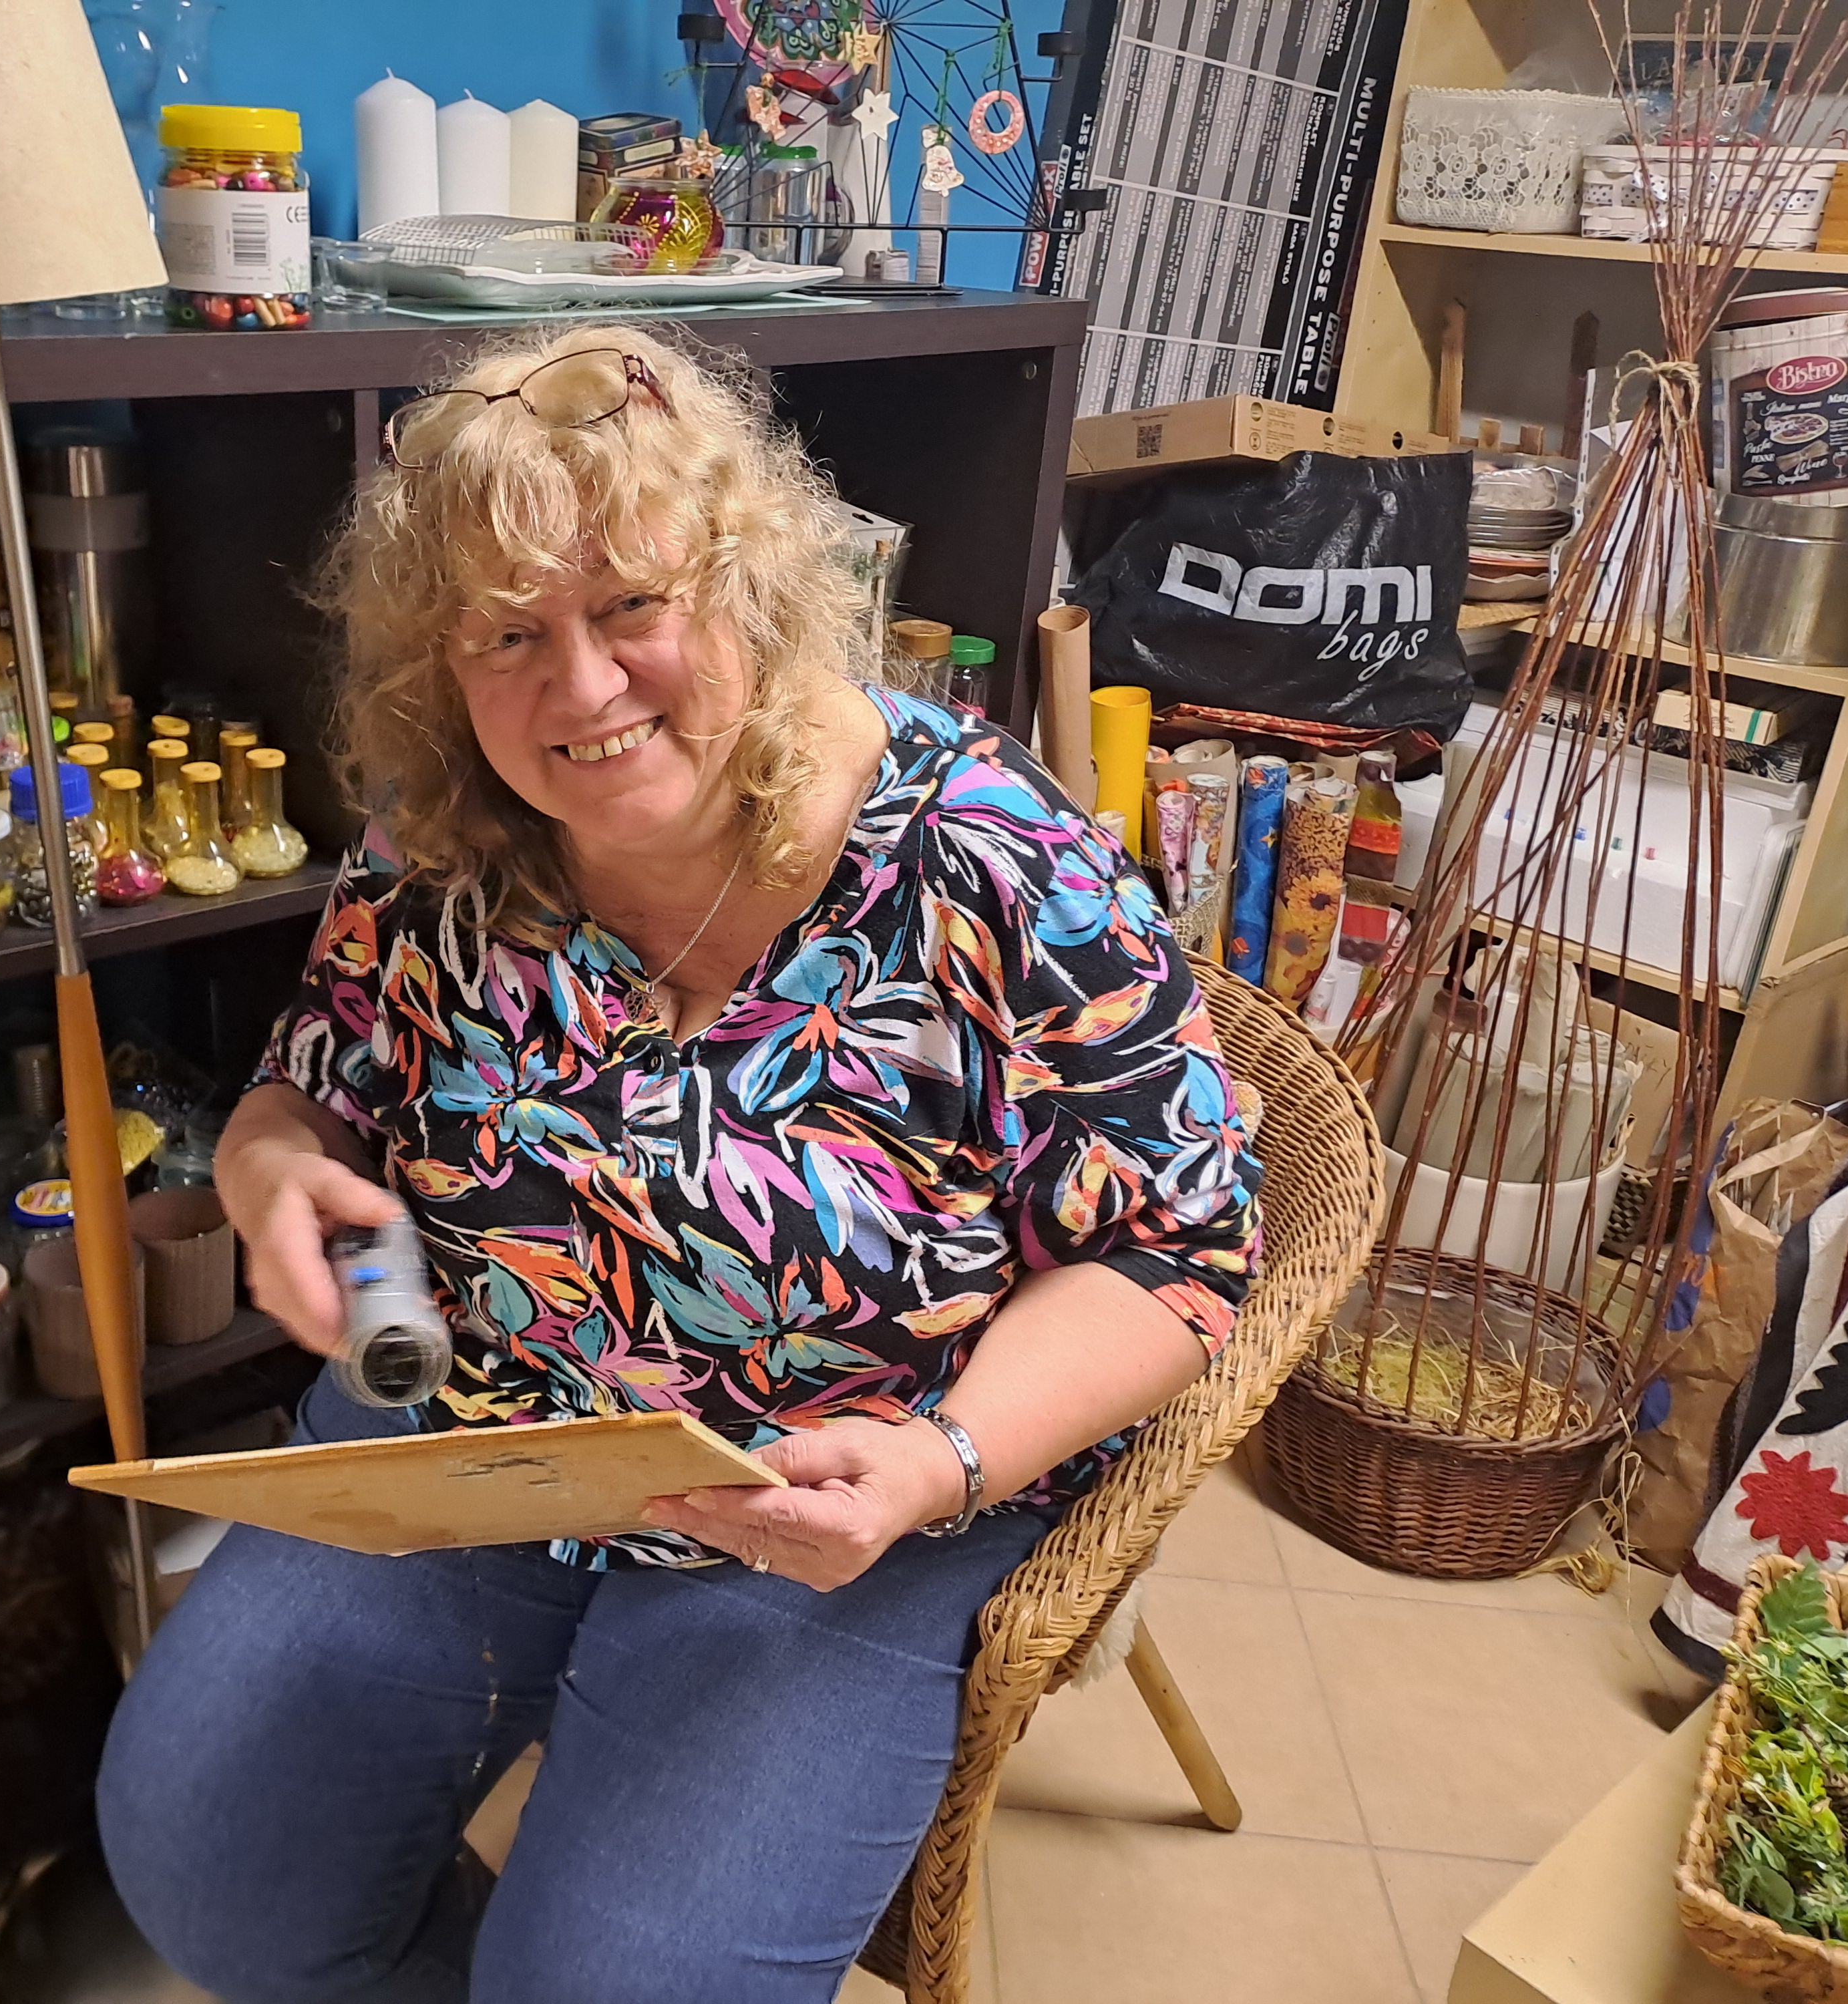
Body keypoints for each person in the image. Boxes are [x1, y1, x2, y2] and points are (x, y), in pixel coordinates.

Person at [98, 326, 1260, 2003]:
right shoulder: (444, 842)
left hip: (832, 1502)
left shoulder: (994, 860)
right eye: (507, 633)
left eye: (631, 604)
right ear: (440, 664)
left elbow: (1174, 1254)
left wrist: (937, 1461)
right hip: (478, 1429)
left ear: (749, 589)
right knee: (206, 1863)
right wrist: (273, 1171)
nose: (579, 689)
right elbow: (314, 1082)